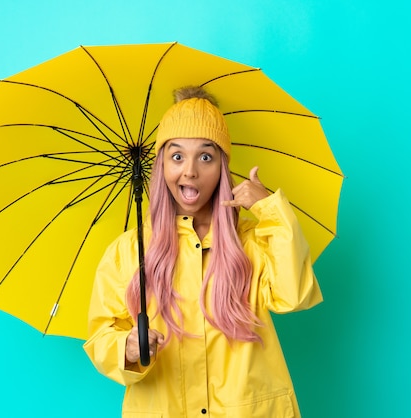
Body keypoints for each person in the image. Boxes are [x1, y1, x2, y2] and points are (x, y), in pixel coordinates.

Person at [83, 86, 322, 417]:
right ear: (161, 165)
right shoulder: (129, 252)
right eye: (177, 156)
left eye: (205, 156)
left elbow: (293, 295)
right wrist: (125, 348)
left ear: (222, 168)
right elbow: (101, 334)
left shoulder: (252, 241)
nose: (190, 171)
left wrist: (269, 208)